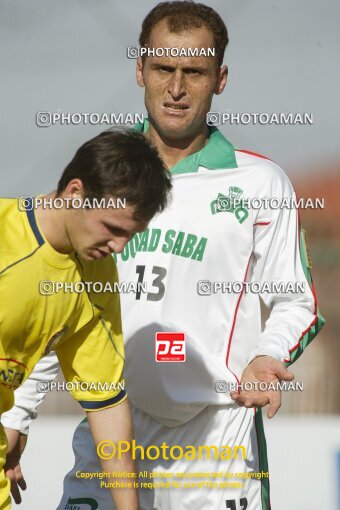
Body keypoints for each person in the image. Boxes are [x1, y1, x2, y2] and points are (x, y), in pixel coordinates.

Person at [2, 2, 325, 509]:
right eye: (163, 68)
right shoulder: (102, 170)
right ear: (139, 69)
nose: (176, 88)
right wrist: (19, 413)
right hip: (110, 429)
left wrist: (268, 356)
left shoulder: (261, 182)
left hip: (215, 443)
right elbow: (58, 307)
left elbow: (295, 301)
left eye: (193, 72)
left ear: (220, 79)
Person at [0, 129, 171, 510]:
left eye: (131, 235)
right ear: (75, 193)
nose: (119, 247)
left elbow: (106, 402)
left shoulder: (98, 276)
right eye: (112, 229)